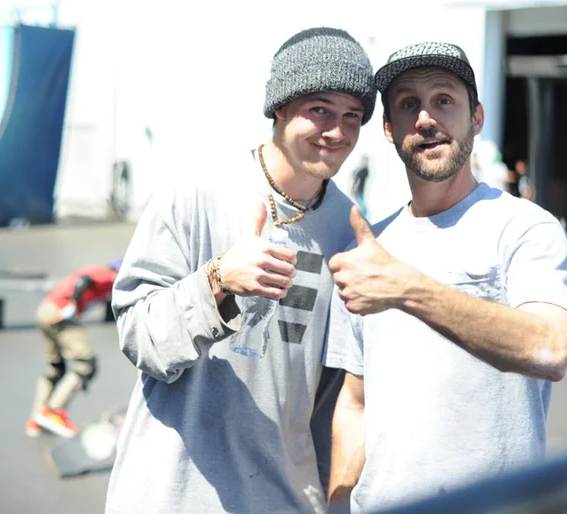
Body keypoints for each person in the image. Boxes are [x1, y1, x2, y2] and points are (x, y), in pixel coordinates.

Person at [105, 27, 376, 514]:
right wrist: (218, 281)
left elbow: (334, 400)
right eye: (320, 110)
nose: (338, 131)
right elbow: (138, 337)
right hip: (170, 495)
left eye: (353, 116)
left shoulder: (350, 231)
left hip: (284, 499)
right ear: (280, 106)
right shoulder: (195, 195)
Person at [322, 41, 567, 513]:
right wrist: (338, 503)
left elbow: (549, 347)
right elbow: (355, 404)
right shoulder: (368, 249)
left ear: (476, 118)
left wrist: (408, 289)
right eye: (407, 105)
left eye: (444, 100)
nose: (425, 118)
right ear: (388, 128)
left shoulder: (524, 227)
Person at [26, 260, 121, 438]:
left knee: (56, 367)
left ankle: (37, 417)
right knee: (86, 364)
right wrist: (71, 308)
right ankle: (53, 411)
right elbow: (83, 281)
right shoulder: (106, 274)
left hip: (45, 310)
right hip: (60, 314)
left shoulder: (98, 272)